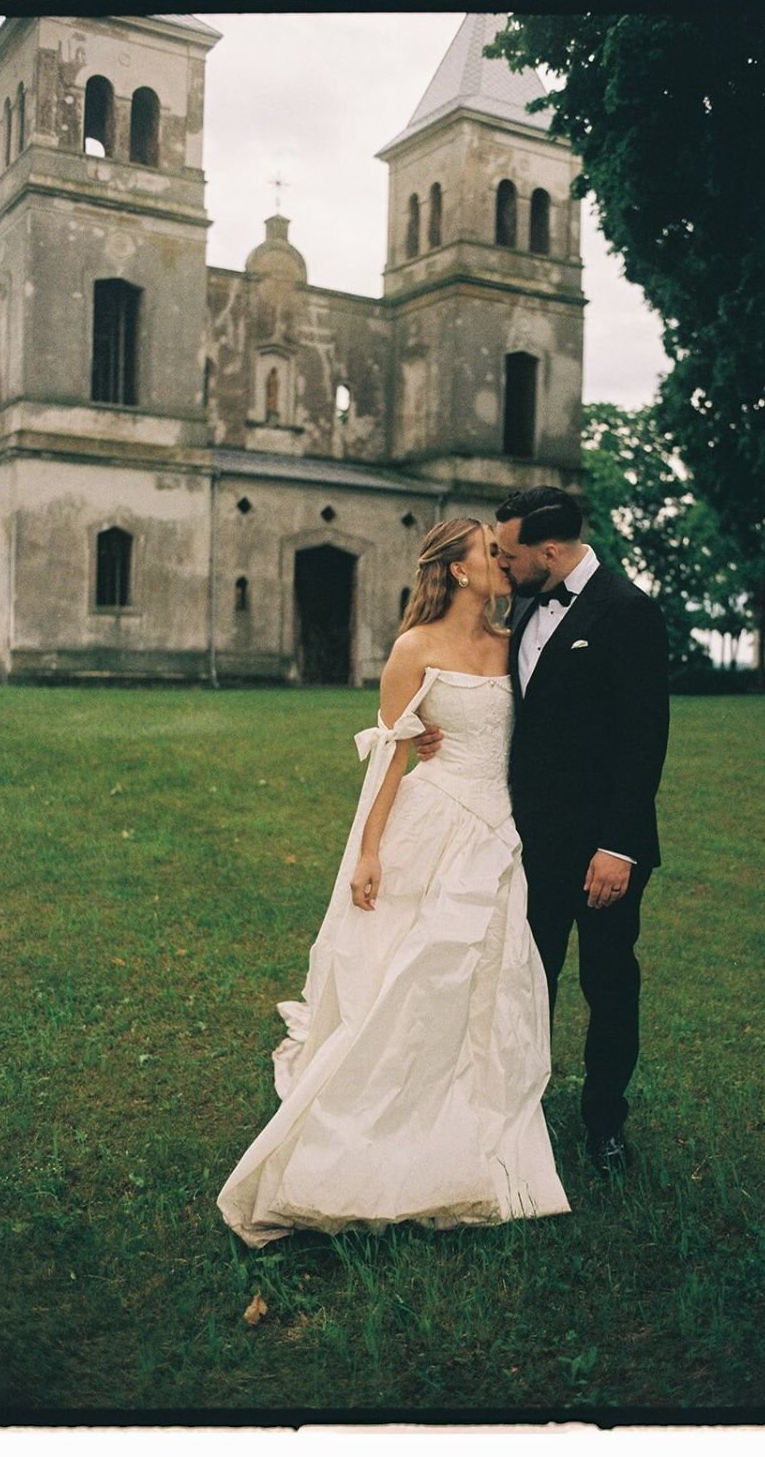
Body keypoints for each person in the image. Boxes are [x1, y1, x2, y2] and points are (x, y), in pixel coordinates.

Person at [217, 518, 570, 1246]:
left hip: (501, 829)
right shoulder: (413, 649)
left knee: (488, 974)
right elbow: (390, 756)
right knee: (421, 971)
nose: (503, 560)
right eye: (489, 552)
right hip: (433, 823)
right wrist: (369, 853)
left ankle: (474, 1108)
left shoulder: (516, 646)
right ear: (460, 571)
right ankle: (385, 1119)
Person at [418, 487, 669, 1177]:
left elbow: (643, 740)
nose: (501, 562)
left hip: (602, 853)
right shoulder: (525, 603)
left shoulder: (628, 612)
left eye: (508, 552)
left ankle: (604, 1125)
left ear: (548, 552)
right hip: (526, 845)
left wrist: (616, 847)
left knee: (609, 985)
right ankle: (513, 1111)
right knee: (524, 983)